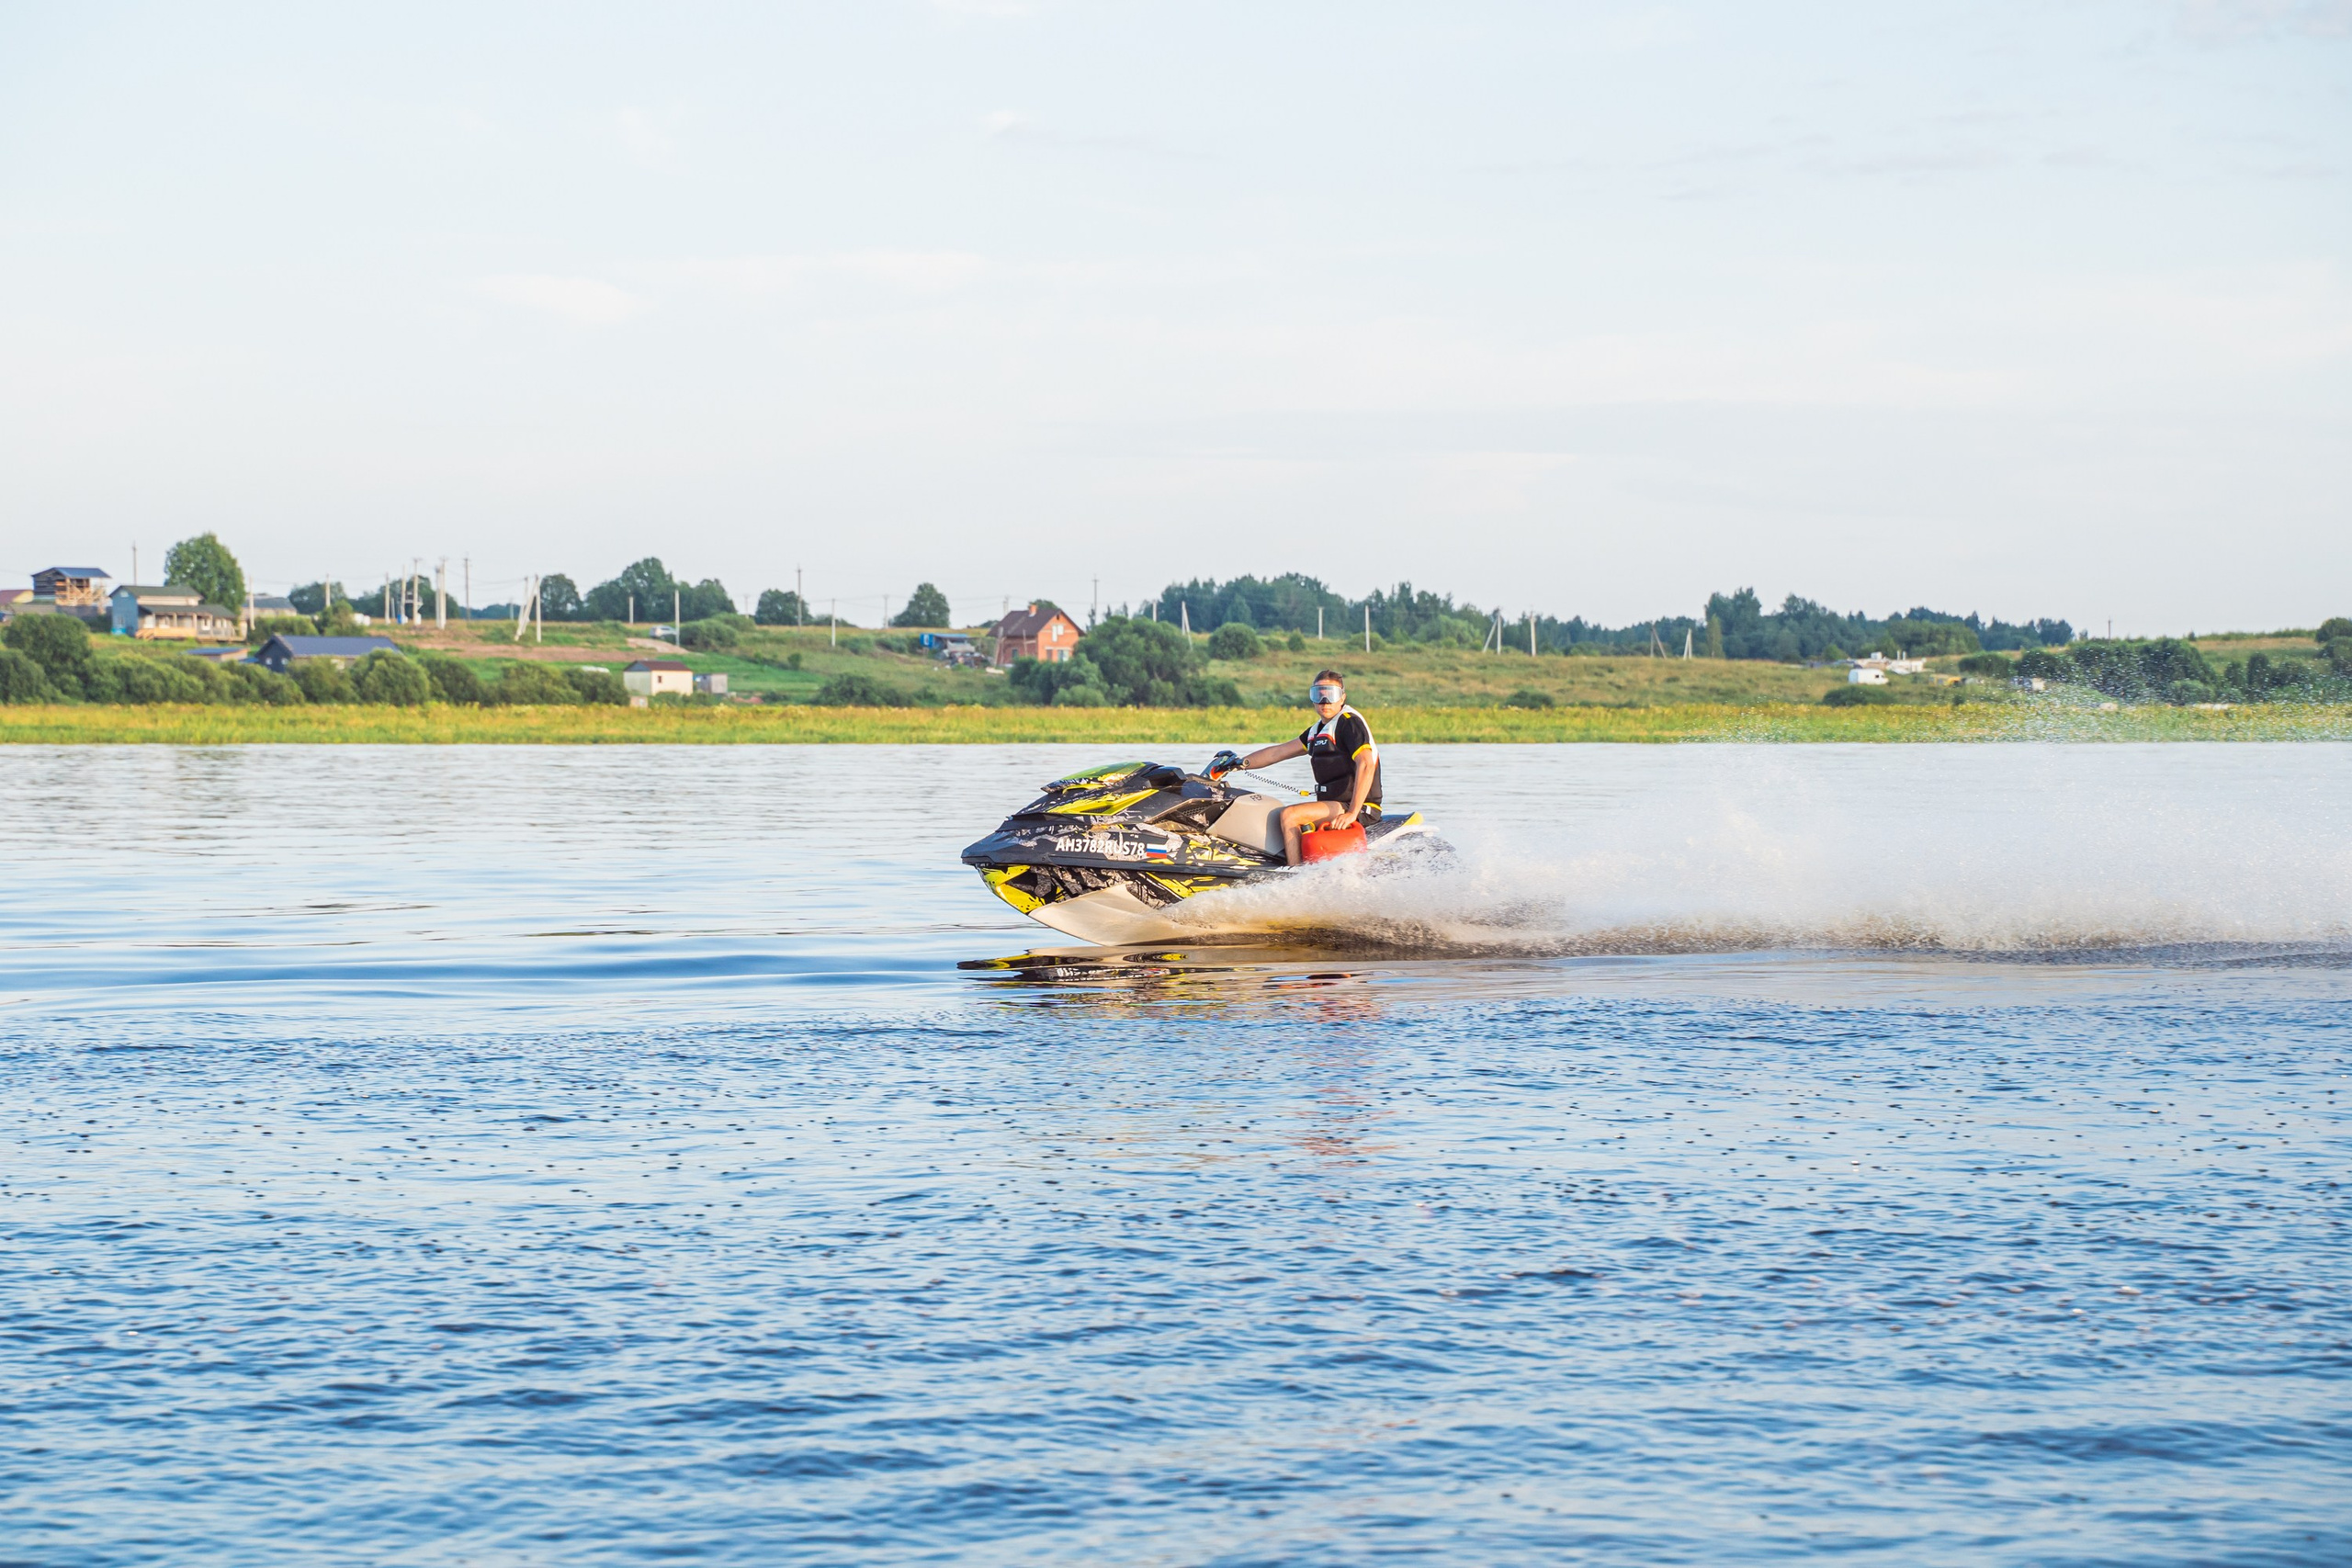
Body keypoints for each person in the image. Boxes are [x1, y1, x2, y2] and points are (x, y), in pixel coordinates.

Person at [1207, 671, 1381, 866]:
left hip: (1357, 807)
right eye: (1318, 694)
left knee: (1290, 815)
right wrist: (1239, 763)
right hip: (1335, 805)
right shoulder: (1318, 730)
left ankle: (1295, 875)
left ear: (1342, 697)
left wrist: (1352, 813)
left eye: (1330, 694)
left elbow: (1366, 763)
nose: (1324, 701)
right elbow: (1278, 752)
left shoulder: (1349, 721)